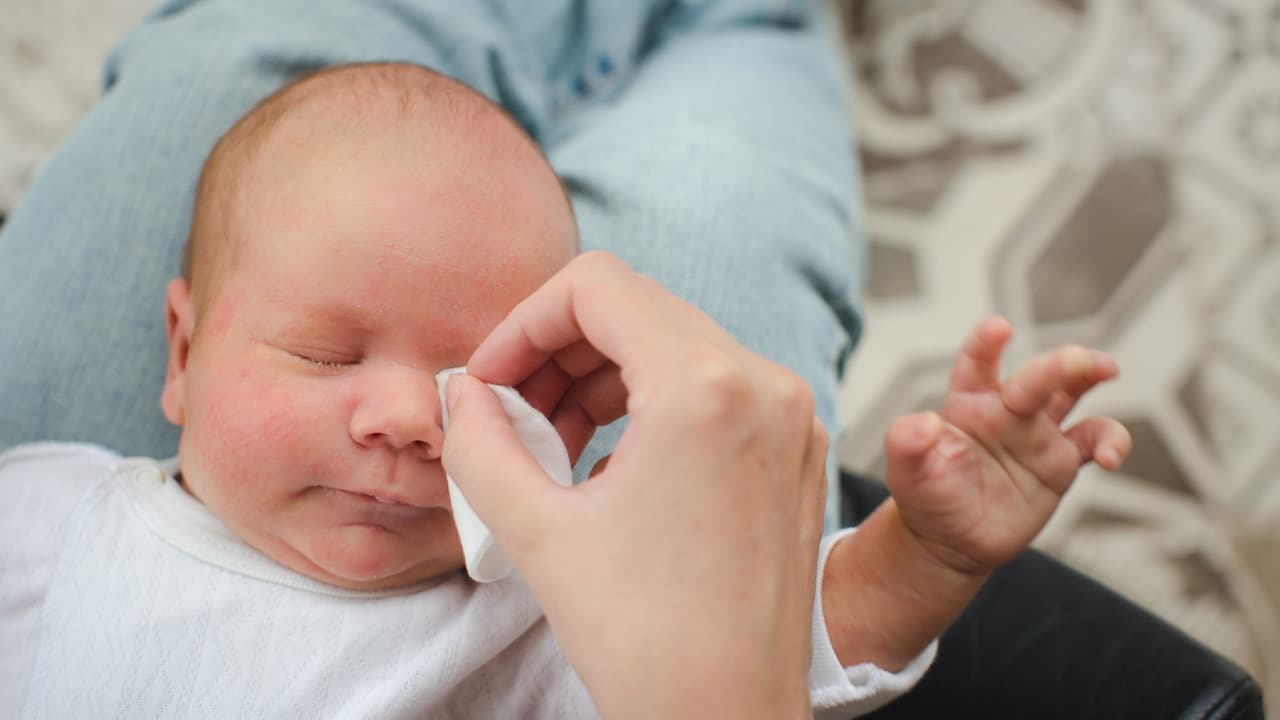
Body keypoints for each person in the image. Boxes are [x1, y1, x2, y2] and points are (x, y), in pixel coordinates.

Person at [0, 62, 1131, 719]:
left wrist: (921, 556)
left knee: (726, 140)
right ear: (182, 353)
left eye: (473, 377)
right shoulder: (52, 518)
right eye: (326, 355)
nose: (403, 419)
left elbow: (768, 642)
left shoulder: (535, 607)